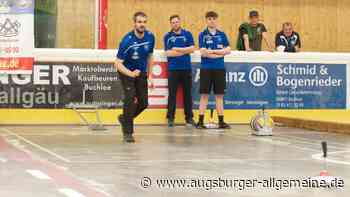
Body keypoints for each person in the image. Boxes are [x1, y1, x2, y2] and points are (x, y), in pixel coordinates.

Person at [115, 12, 155, 143]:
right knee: (130, 98)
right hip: (127, 72)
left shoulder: (150, 37)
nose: (142, 24)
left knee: (144, 103)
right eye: (139, 22)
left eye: (144, 22)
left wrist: (150, 75)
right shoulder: (127, 41)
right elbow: (117, 64)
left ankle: (124, 119)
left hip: (141, 73)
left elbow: (149, 56)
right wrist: (131, 73)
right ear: (134, 23)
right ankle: (128, 133)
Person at [197, 11, 231, 129]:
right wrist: (220, 53)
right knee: (204, 95)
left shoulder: (222, 34)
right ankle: (200, 122)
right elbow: (203, 53)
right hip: (206, 69)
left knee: (219, 95)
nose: (212, 21)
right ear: (206, 20)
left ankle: (221, 121)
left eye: (214, 19)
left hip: (219, 69)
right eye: (210, 19)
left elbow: (228, 50)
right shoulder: (202, 34)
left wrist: (213, 52)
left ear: (217, 20)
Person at [163, 15, 196, 127]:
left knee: (188, 94)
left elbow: (192, 49)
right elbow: (168, 53)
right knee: (172, 94)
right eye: (173, 22)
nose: (175, 24)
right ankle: (171, 118)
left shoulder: (187, 34)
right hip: (173, 69)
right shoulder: (167, 36)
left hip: (186, 69)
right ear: (170, 24)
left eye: (177, 22)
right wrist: (185, 51)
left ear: (180, 22)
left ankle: (189, 118)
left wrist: (177, 49)